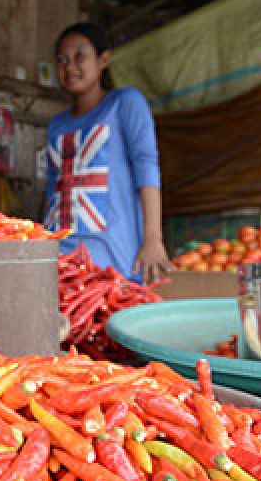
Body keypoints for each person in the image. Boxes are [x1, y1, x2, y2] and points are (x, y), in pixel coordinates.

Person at [44, 22, 172, 284]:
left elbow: (147, 168)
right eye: (62, 60)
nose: (70, 67)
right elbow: (51, 191)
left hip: (113, 259)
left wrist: (153, 239)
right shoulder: (56, 126)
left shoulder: (125, 102)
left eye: (80, 56)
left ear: (103, 60)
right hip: (58, 260)